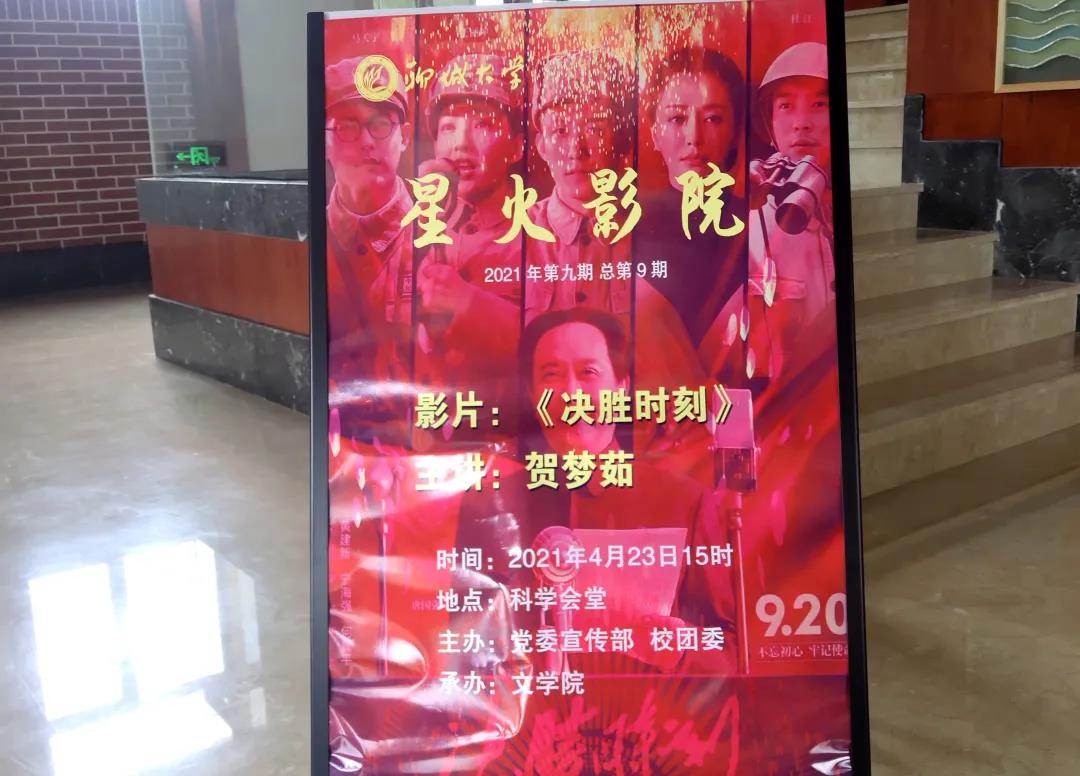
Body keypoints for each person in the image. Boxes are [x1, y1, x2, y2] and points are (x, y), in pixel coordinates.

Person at [703, 41, 835, 385]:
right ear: (770, 124)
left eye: (820, 105)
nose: (801, 124)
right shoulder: (742, 218)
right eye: (786, 106)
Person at [412, 53, 527, 426]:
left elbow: (567, 347)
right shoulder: (413, 230)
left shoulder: (543, 235)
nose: (460, 145)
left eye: (483, 125)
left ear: (517, 146)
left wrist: (469, 304)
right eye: (448, 127)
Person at [324, 55, 415, 440]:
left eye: (380, 124)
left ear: (404, 136)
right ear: (324, 140)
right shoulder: (307, 244)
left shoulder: (442, 240)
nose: (366, 142)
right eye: (347, 126)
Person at [638, 46, 749, 350]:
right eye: (677, 118)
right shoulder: (626, 227)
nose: (694, 137)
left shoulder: (759, 224)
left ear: (734, 133)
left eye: (713, 119)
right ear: (654, 133)